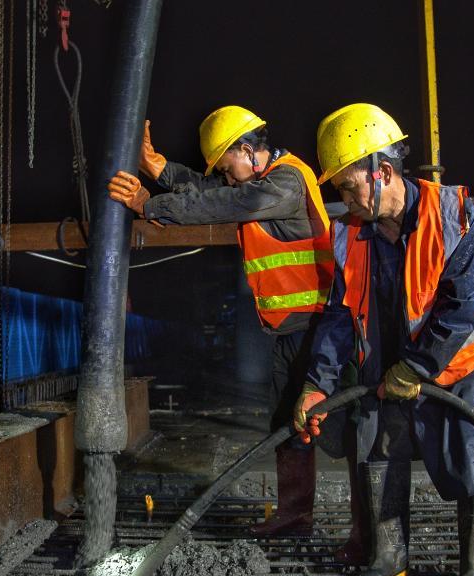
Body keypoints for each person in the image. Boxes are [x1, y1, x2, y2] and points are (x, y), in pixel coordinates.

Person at [295, 103, 474, 576]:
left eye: (349, 186)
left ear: (383, 172)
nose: (344, 199)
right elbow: (339, 315)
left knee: (467, 452)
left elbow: (462, 306)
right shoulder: (350, 233)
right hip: (385, 363)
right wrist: (317, 384)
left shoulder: (456, 217)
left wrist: (416, 367)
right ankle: (389, 556)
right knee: (379, 448)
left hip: (460, 361)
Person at [107, 107, 341, 545]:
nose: (227, 177)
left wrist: (147, 204)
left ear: (248, 150)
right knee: (286, 424)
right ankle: (295, 516)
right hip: (289, 329)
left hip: (319, 329)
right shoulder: (257, 181)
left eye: (228, 166)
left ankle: (366, 531)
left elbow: (227, 201)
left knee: (339, 428)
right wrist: (155, 166)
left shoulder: (287, 181)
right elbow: (209, 189)